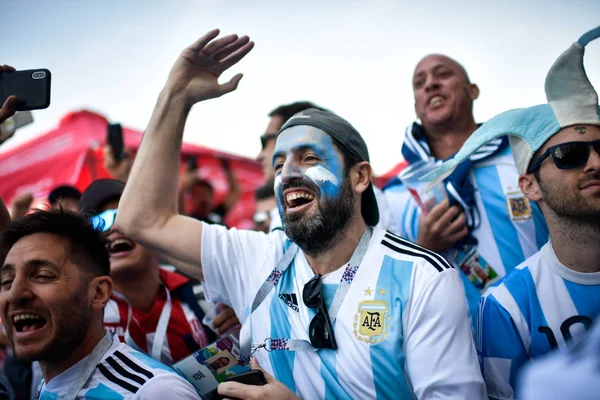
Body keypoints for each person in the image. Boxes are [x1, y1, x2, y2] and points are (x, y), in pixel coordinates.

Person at [115, 29, 486, 399]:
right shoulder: (260, 260)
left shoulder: (424, 278)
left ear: (359, 177)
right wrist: (175, 97)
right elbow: (141, 221)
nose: (288, 173)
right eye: (279, 166)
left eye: (310, 159)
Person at [424, 26, 600, 400]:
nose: (596, 163)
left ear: (472, 90)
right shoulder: (507, 305)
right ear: (530, 185)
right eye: (570, 155)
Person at [383, 53, 548, 319]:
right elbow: (387, 293)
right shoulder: (393, 194)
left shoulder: (524, 159)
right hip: (455, 353)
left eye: (443, 74)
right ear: (416, 106)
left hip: (548, 333)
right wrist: (425, 251)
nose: (430, 84)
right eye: (419, 82)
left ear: (473, 91)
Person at [0, 210, 199, 399]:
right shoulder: (47, 385)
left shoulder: (153, 393)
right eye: (6, 282)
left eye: (42, 275)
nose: (15, 294)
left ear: (98, 292)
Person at [79, 178, 225, 364]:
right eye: (100, 221)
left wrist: (244, 323)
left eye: (124, 215)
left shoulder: (205, 292)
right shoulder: (82, 315)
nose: (114, 227)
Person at [178, 158, 240, 225]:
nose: (203, 200)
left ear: (212, 197)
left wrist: (226, 165)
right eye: (198, 196)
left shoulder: (218, 212)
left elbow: (235, 191)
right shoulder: (189, 220)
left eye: (206, 195)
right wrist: (183, 187)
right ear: (191, 199)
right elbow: (179, 205)